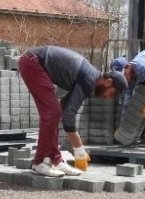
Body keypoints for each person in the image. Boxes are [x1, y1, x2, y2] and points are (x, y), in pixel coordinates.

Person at [18, 46, 127, 177]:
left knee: (54, 112)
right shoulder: (89, 79)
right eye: (112, 94)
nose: (109, 98)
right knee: (52, 113)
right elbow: (69, 117)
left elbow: (65, 108)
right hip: (32, 62)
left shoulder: (90, 80)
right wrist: (79, 150)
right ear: (109, 81)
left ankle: (56, 160)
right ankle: (39, 162)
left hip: (35, 62)